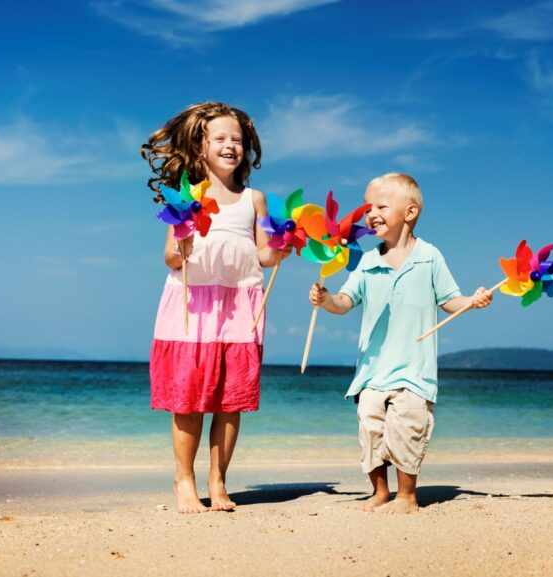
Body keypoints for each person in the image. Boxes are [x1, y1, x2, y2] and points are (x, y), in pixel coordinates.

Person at [309, 173, 492, 514]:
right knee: (371, 430)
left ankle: (407, 495)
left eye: (380, 206)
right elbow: (345, 302)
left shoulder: (430, 256)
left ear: (409, 213)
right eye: (367, 209)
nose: (370, 214)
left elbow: (450, 300)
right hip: (372, 369)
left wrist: (473, 300)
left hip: (414, 369)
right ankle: (380, 491)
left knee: (408, 429)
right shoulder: (366, 261)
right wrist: (325, 299)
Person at [142, 102, 288, 514]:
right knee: (188, 399)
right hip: (193, 302)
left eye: (237, 140)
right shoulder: (189, 198)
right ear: (200, 146)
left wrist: (282, 247)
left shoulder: (254, 200)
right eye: (220, 138)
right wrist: (183, 247)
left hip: (241, 304)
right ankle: (184, 479)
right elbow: (172, 257)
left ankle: (218, 480)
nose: (231, 146)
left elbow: (264, 255)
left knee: (230, 400)